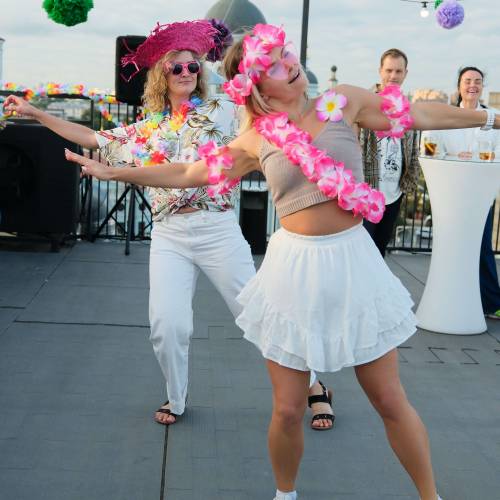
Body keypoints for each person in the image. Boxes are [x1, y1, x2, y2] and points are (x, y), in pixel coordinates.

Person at [62, 23, 497, 500]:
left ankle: (431, 496)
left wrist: (489, 117)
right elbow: (189, 171)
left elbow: (417, 114)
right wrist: (115, 172)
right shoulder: (255, 138)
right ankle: (285, 495)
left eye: (286, 54)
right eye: (272, 64)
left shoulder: (343, 102)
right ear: (255, 85)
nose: (289, 64)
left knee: (390, 400)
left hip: (353, 263)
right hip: (294, 270)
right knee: (288, 409)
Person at [3, 19, 332, 429]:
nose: (186, 72)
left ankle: (314, 385)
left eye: (193, 65)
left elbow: (262, 104)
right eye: (176, 66)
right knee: (166, 324)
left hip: (217, 230)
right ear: (162, 74)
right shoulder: (148, 128)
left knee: (258, 314)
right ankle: (176, 397)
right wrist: (36, 112)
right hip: (169, 235)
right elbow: (91, 138)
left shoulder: (223, 110)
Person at [421, 66, 500, 320]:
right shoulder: (446, 117)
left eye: (477, 81)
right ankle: (451, 298)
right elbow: (430, 148)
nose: (472, 85)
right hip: (451, 194)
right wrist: (455, 155)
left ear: (482, 86)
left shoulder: (494, 117)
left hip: (481, 196)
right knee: (451, 247)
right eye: (467, 81)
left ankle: (491, 303)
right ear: (459, 86)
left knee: (482, 247)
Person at [360, 48, 421, 257]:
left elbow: (413, 149)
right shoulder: (366, 103)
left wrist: (408, 183)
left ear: (405, 73)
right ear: (380, 71)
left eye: (398, 71)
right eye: (389, 70)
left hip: (394, 193)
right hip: (366, 192)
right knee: (362, 250)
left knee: (379, 251)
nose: (393, 76)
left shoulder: (408, 108)